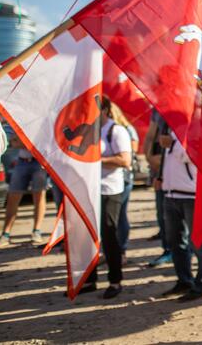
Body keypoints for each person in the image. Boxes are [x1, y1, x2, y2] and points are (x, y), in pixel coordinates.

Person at [159, 127, 202, 301]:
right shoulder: (171, 129)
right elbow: (169, 160)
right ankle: (184, 280)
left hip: (192, 195)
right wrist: (161, 177)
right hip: (170, 194)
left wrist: (173, 143)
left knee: (199, 241)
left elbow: (194, 155)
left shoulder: (196, 129)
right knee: (175, 242)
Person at [85, 98, 132, 299]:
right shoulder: (89, 130)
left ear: (104, 109)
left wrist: (97, 160)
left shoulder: (117, 131)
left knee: (109, 236)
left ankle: (115, 281)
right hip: (89, 190)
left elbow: (125, 160)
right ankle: (89, 279)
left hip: (109, 190)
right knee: (88, 236)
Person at [0, 132, 48, 247]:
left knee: (39, 196)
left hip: (39, 161)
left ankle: (37, 231)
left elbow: (44, 140)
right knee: (13, 196)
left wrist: (25, 142)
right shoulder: (23, 119)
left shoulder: (41, 120)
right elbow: (13, 142)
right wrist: (27, 143)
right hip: (22, 161)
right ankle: (5, 234)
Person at [110, 106, 139, 262]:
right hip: (109, 179)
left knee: (120, 215)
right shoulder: (100, 130)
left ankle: (121, 251)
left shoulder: (126, 129)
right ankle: (111, 250)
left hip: (124, 177)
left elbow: (131, 154)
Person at [144, 109, 172, 267]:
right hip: (158, 167)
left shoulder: (185, 102)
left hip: (179, 168)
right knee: (162, 213)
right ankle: (168, 250)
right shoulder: (157, 109)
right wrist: (148, 157)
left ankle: (183, 252)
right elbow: (150, 136)